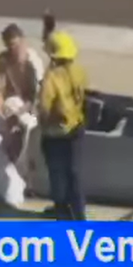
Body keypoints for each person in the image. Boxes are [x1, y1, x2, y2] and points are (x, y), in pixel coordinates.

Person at [0, 24, 45, 206]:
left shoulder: (34, 62)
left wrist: (19, 114)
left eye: (16, 46)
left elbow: (37, 96)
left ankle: (23, 184)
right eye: (9, 47)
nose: (13, 50)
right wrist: (2, 113)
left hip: (28, 110)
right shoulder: (1, 61)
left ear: (23, 42)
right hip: (9, 108)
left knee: (23, 136)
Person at [37, 30, 88, 221]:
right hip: (76, 128)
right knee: (74, 173)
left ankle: (61, 212)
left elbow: (43, 107)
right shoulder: (79, 71)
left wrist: (44, 122)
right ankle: (79, 212)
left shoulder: (51, 78)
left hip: (55, 134)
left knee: (57, 174)